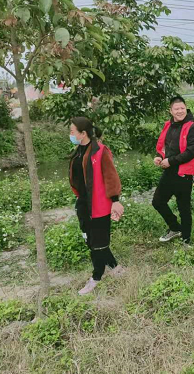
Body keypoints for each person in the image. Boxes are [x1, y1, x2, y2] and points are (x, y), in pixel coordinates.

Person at [69, 117, 125, 296]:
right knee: (91, 241)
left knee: (97, 244)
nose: (70, 135)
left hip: (100, 205)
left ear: (83, 133)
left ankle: (96, 277)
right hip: (84, 204)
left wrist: (115, 200)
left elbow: (111, 176)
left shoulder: (100, 151)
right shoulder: (79, 151)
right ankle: (116, 268)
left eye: (72, 132)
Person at [152, 95, 194, 245]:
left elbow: (191, 151)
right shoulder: (168, 125)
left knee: (183, 208)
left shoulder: (192, 127)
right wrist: (159, 156)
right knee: (158, 202)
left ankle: (186, 239)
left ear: (186, 108)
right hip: (169, 172)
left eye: (182, 108)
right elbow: (163, 146)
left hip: (184, 173)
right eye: (176, 109)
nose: (180, 111)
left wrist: (170, 161)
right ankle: (175, 227)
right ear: (171, 111)